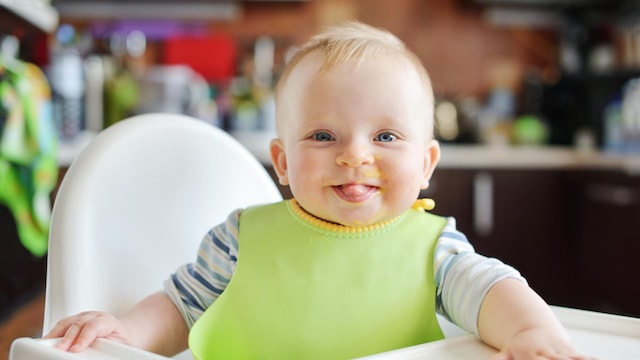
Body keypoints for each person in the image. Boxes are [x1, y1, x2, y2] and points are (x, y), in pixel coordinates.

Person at [45, 21, 593, 360]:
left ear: (426, 164)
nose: (355, 155)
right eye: (324, 135)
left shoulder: (436, 251)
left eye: (385, 136)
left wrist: (534, 335)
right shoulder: (240, 239)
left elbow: (494, 290)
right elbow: (180, 309)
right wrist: (127, 331)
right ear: (282, 162)